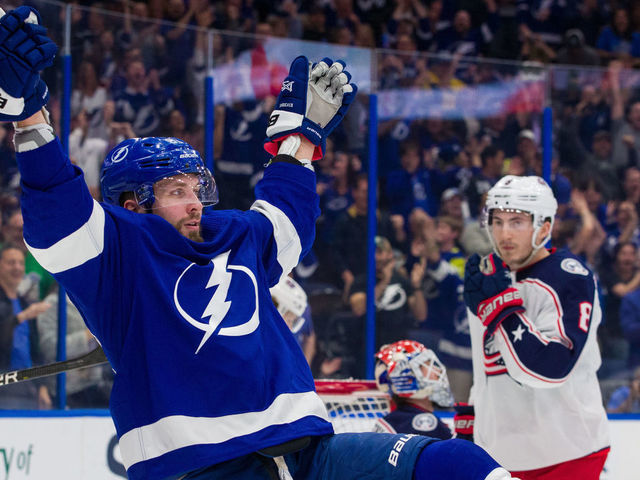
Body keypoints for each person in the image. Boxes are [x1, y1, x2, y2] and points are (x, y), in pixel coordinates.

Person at [0, 6, 518, 480]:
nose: (196, 202)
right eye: (176, 191)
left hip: (309, 453)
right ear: (132, 204)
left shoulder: (234, 235)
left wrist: (299, 140)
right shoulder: (115, 254)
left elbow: (286, 219)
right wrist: (28, 117)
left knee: (451, 461)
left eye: (197, 187)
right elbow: (59, 211)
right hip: (201, 467)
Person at [463, 175, 610, 479]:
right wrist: (473, 416)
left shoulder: (569, 279)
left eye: (517, 222)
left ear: (544, 227)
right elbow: (487, 362)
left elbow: (549, 370)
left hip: (568, 454)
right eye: (498, 221)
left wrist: (501, 310)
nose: (504, 233)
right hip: (500, 458)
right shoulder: (488, 276)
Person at [0, 243, 51, 409]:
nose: (17, 267)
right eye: (11, 262)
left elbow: (35, 350)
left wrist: (41, 386)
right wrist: (22, 317)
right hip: (4, 383)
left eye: (21, 263)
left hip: (26, 385)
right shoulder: (25, 310)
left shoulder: (24, 303)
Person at [373, 340, 453, 439]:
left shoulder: (391, 421)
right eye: (428, 365)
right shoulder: (426, 425)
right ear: (409, 377)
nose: (438, 370)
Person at [271, 275, 316, 366]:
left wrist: (304, 368)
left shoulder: (302, 307)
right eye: (289, 320)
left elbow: (310, 337)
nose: (290, 327)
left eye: (292, 321)